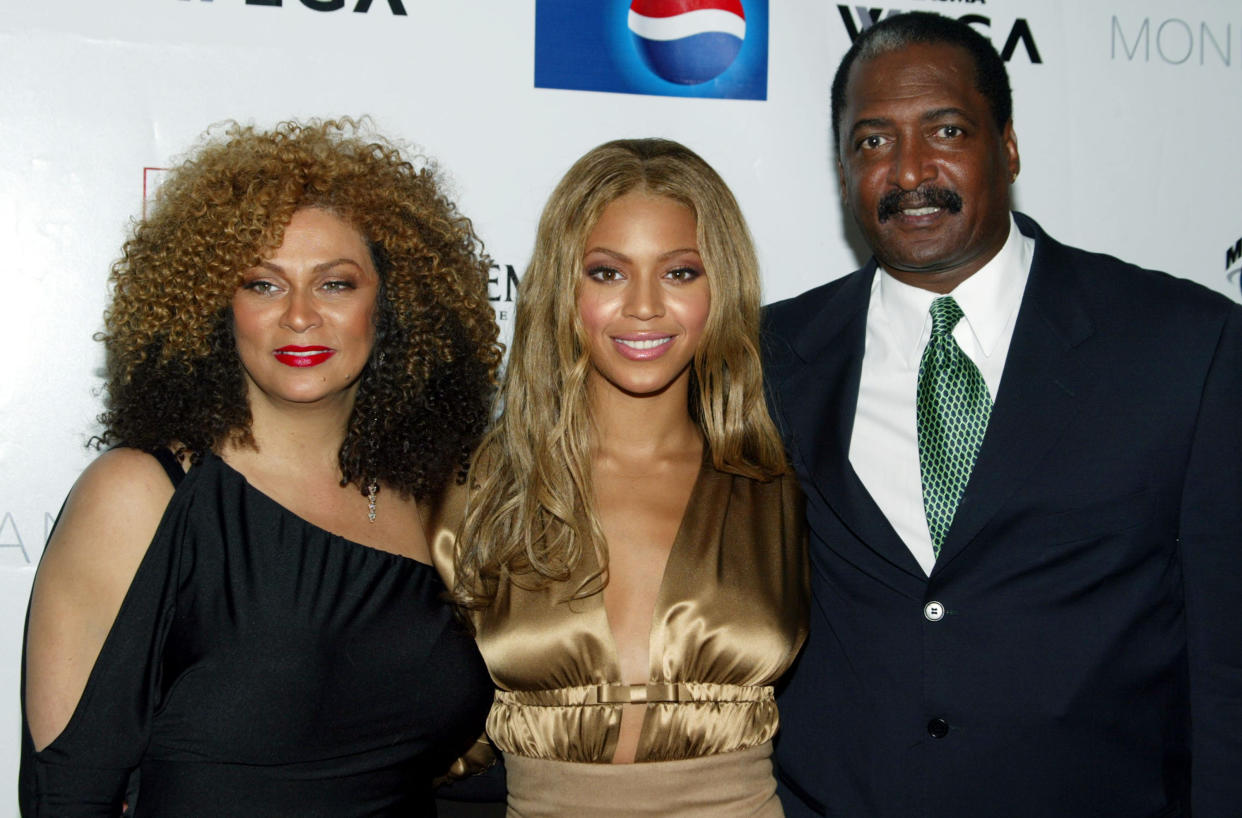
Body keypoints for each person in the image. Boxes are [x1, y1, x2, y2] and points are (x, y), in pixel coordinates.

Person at [763, 11, 1242, 818]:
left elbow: (1228, 663)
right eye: (872, 142)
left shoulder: (1182, 346)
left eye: (945, 130)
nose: (909, 169)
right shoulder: (772, 355)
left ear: (1008, 146)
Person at [21, 119, 502, 816]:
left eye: (336, 285)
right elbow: (67, 795)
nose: (300, 316)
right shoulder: (145, 496)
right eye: (263, 285)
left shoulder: (443, 504)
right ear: (214, 308)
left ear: (393, 306)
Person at [426, 138, 807, 817]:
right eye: (607, 273)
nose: (643, 307)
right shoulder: (475, 489)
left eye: (680, 273)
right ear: (562, 289)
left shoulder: (779, 490)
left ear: (722, 287)